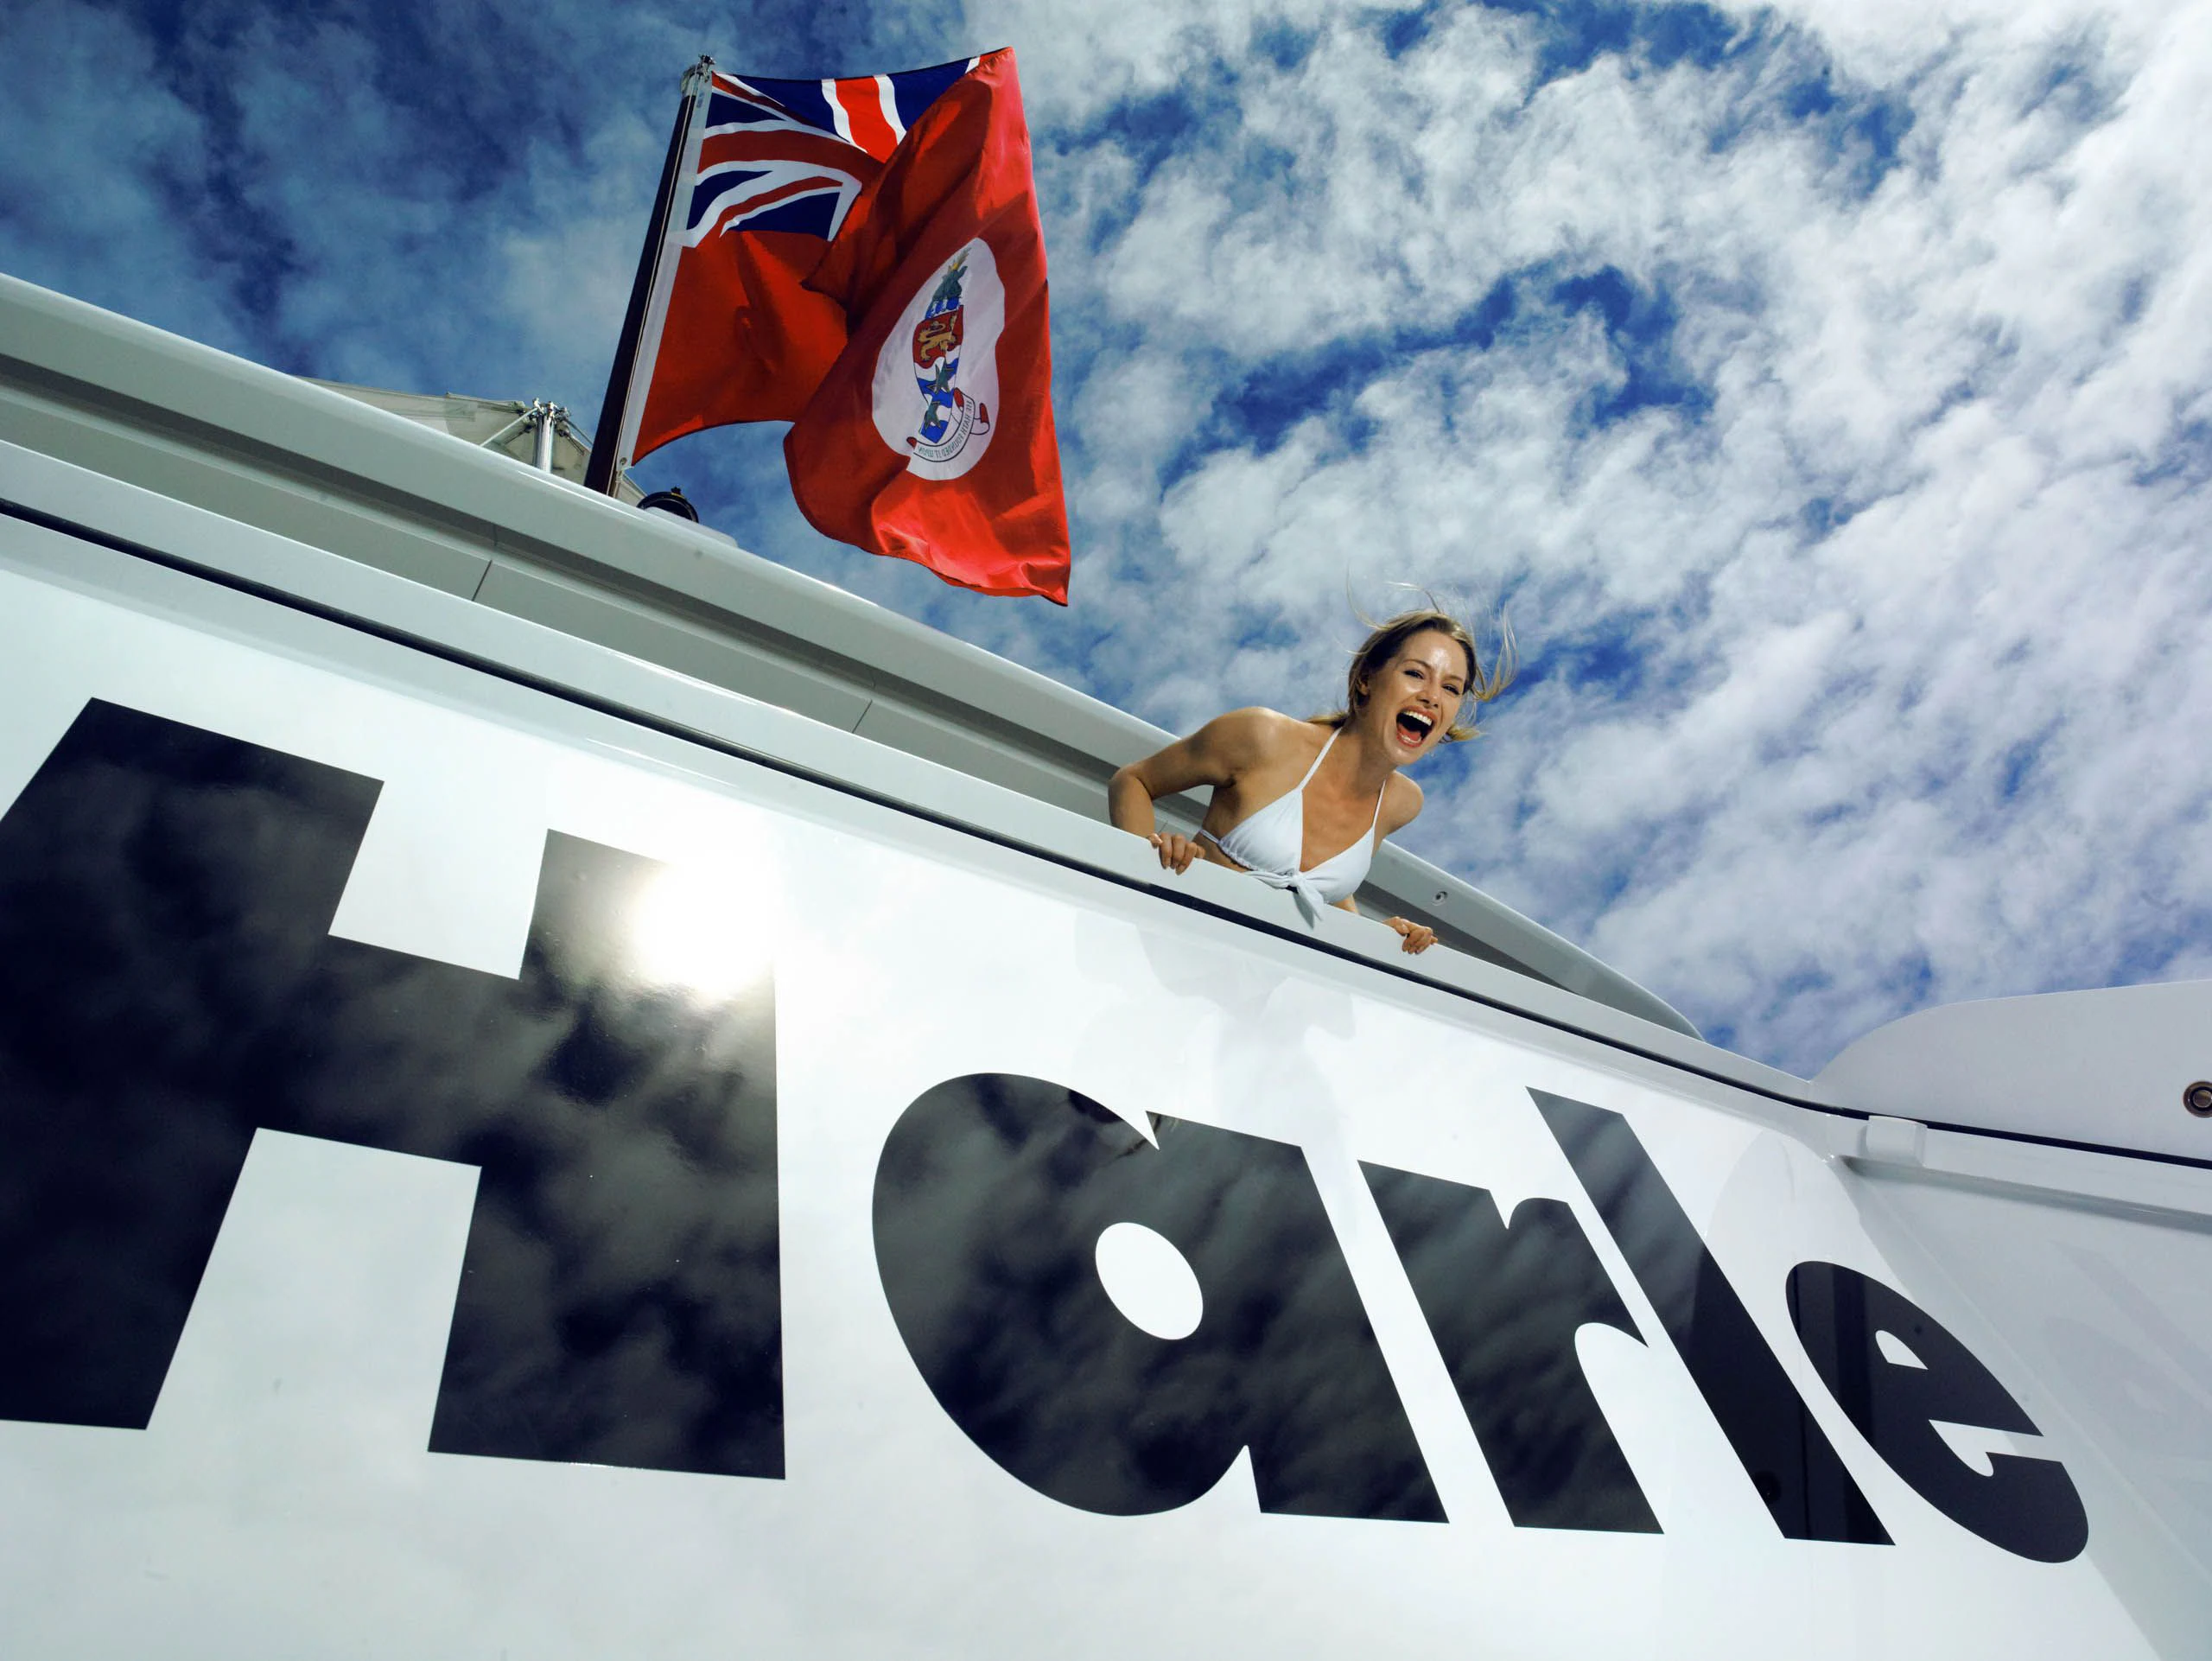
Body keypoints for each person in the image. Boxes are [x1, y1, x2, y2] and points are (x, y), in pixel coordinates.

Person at [1108, 608, 1514, 953]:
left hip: (1260, 994)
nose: (1432, 697)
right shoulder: (1262, 736)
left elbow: (1317, 883)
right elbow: (1133, 781)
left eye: (1451, 688)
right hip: (1172, 950)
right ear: (1366, 679)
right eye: (1415, 673)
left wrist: (1374, 934)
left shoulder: (1402, 803)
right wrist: (1149, 864)